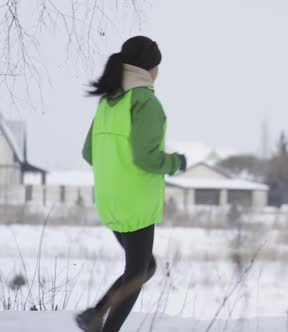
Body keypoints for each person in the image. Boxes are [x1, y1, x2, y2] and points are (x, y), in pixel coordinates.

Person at [75, 36, 187, 332]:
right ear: (151, 68)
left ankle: (96, 314)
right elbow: (148, 158)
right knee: (138, 273)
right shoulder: (146, 102)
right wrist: (177, 162)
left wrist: (116, 168)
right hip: (136, 203)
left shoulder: (108, 102)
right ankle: (100, 322)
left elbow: (89, 153)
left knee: (143, 267)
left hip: (110, 201)